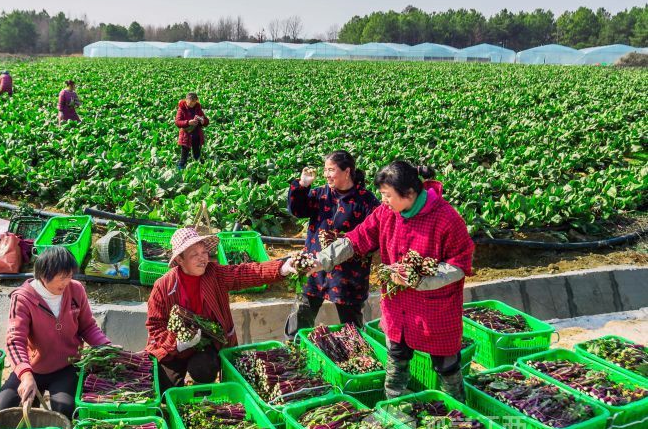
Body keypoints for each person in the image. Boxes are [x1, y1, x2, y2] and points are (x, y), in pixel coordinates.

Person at [313, 161, 474, 400]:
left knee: (446, 365)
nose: (384, 201)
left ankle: (458, 410)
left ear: (409, 193)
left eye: (388, 195)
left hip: (435, 309)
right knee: (396, 358)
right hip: (398, 307)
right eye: (382, 195)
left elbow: (459, 264)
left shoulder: (446, 218)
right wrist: (322, 259)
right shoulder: (386, 213)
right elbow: (358, 238)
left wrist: (417, 279)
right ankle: (395, 404)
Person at [146, 227, 305, 390]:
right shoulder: (164, 286)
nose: (202, 259)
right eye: (194, 255)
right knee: (166, 387)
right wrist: (178, 343)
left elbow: (244, 273)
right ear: (180, 260)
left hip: (207, 342)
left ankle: (205, 392)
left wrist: (280, 269)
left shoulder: (214, 274)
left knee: (204, 368)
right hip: (175, 347)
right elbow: (155, 325)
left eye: (204, 252)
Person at [0, 246, 111, 417]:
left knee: (65, 409)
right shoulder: (23, 298)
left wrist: (106, 347)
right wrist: (26, 375)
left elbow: (88, 326)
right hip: (33, 367)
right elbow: (15, 341)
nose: (67, 282)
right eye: (62, 278)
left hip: (66, 366)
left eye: (70, 276)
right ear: (44, 275)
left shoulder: (76, 290)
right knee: (5, 407)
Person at [285, 151, 380, 338]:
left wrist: (342, 240)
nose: (327, 175)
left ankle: (356, 355)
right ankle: (293, 349)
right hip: (314, 266)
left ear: (347, 171)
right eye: (325, 170)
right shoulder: (321, 194)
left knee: (351, 323)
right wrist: (302, 186)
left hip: (348, 273)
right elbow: (297, 210)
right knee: (302, 312)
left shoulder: (366, 200)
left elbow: (374, 236)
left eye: (331, 170)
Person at [175, 92, 209, 168]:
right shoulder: (181, 108)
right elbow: (177, 122)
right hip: (186, 135)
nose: (191, 105)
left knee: (197, 152)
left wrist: (203, 121)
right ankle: (180, 167)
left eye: (193, 103)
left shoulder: (198, 108)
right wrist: (188, 122)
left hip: (196, 134)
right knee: (184, 154)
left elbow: (206, 121)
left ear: (196, 101)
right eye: (190, 103)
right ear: (186, 100)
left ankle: (198, 166)